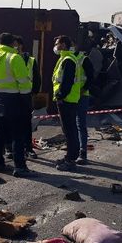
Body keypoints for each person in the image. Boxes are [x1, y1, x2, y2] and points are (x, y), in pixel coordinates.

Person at [0, 33, 35, 177]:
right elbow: (23, 82)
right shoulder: (14, 58)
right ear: (12, 44)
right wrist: (26, 99)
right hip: (15, 99)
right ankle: (20, 167)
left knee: (0, 132)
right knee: (18, 134)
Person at [52, 35, 81, 171]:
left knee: (70, 130)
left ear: (63, 45)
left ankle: (71, 159)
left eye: (57, 43)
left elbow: (67, 82)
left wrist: (61, 95)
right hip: (68, 99)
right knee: (69, 130)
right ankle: (70, 156)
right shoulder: (65, 58)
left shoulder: (68, 60)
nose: (56, 46)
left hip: (67, 100)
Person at [13, 35, 41, 159]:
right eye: (13, 45)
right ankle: (10, 149)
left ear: (21, 46)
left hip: (26, 96)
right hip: (12, 95)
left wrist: (34, 92)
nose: (15, 47)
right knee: (11, 123)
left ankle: (28, 148)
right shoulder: (9, 59)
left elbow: (36, 78)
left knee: (26, 123)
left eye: (17, 45)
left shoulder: (30, 60)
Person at [74, 48, 95, 164]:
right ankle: (74, 150)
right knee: (71, 125)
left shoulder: (83, 59)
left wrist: (84, 89)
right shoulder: (65, 59)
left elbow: (91, 77)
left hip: (82, 96)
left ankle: (83, 153)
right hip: (70, 96)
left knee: (80, 124)